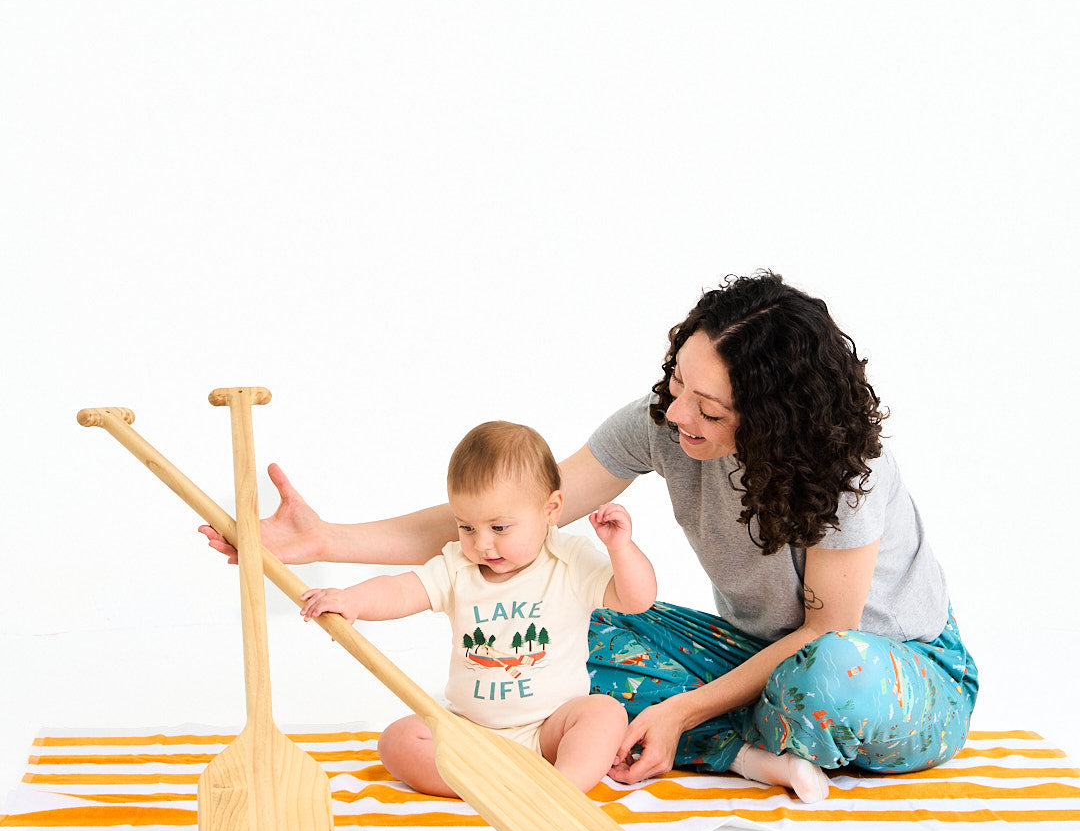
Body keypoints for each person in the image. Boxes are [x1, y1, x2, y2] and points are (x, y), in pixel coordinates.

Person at [201, 272, 978, 804]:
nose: (679, 416)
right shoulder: (660, 428)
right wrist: (326, 537)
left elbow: (826, 633)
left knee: (828, 673)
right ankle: (749, 751)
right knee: (565, 623)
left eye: (709, 410)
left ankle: (706, 732)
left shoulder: (849, 470)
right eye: (678, 384)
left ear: (775, 418)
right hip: (748, 657)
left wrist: (677, 710)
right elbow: (514, 519)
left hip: (891, 671)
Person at [296, 420, 657, 797]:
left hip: (551, 728)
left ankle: (561, 792)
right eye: (466, 527)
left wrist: (621, 549)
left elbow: (637, 599)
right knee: (397, 740)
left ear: (550, 510)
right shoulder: (458, 565)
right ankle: (487, 788)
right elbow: (403, 590)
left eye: (499, 528)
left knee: (604, 713)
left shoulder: (569, 561)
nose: (482, 544)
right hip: (473, 732)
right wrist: (353, 599)